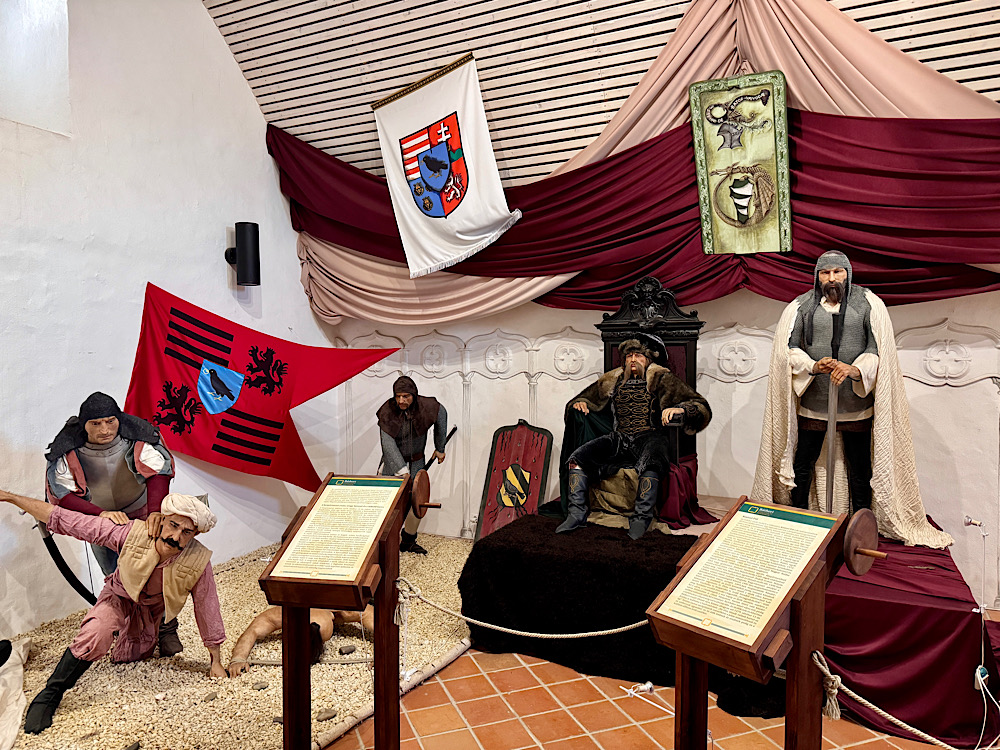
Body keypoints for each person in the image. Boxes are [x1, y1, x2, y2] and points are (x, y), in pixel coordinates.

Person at [752, 250, 952, 548]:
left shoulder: (868, 304)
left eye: (838, 272)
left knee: (860, 469)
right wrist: (813, 365)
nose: (832, 278)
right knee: (803, 464)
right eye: (825, 273)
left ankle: (861, 528)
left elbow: (876, 349)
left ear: (848, 273)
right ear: (817, 276)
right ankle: (797, 522)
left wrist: (855, 369)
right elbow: (789, 350)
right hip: (815, 405)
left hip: (855, 406)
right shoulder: (801, 307)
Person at [0, 490, 226, 734]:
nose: (175, 537)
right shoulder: (131, 533)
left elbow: (207, 606)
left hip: (153, 609)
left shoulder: (198, 561)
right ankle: (51, 693)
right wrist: (12, 498)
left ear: (196, 534)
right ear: (162, 519)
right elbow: (67, 520)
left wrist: (216, 661)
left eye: (186, 532)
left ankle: (164, 629)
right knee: (96, 634)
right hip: (119, 595)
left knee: (131, 655)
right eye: (173, 525)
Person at [44, 392, 184, 655]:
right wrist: (100, 514)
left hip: (143, 513)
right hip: (101, 519)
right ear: (84, 424)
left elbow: (158, 470)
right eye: (95, 423)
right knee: (115, 574)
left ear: (119, 419)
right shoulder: (68, 447)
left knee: (156, 573)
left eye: (110, 421)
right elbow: (62, 492)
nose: (105, 430)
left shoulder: (138, 435)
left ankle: (166, 629)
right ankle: (129, 630)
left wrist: (155, 511)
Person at [557, 334, 712, 539]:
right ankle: (576, 514)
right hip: (619, 438)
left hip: (650, 436)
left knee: (652, 461)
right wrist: (582, 403)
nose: (632, 360)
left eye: (638, 356)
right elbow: (587, 397)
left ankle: (641, 517)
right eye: (629, 356)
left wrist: (680, 409)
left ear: (648, 359)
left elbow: (699, 405)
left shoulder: (662, 378)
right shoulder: (612, 379)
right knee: (577, 458)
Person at [376, 376, 447, 554]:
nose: (401, 400)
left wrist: (440, 448)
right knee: (387, 505)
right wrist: (402, 471)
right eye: (398, 396)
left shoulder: (426, 406)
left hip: (417, 462)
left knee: (418, 502)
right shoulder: (387, 410)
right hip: (392, 465)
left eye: (406, 396)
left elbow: (441, 413)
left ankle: (408, 540)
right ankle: (383, 545)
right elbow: (387, 444)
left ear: (413, 395)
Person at [227, 605, 374, 676]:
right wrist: (238, 658)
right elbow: (253, 630)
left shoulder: (347, 610)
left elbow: (378, 622)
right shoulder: (282, 613)